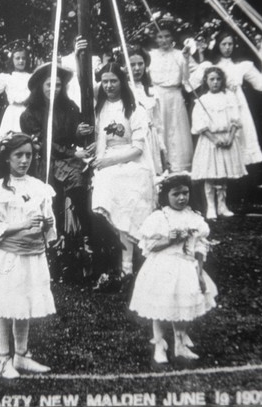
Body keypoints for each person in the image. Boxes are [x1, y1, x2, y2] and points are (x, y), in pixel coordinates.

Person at [0, 132, 56, 378]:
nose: (24, 160)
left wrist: (47, 224)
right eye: (18, 155)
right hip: (8, 256)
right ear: (6, 158)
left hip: (31, 253)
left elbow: (46, 226)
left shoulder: (39, 187)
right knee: (4, 305)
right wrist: (22, 224)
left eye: (28, 155)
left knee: (24, 304)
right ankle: (3, 359)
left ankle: (21, 356)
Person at [129, 174, 217, 363]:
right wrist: (171, 239)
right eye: (176, 194)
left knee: (184, 307)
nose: (182, 198)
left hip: (187, 267)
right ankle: (159, 344)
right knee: (161, 307)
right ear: (165, 196)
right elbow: (148, 246)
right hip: (163, 266)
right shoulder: (160, 217)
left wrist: (200, 272)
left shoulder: (194, 217)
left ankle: (180, 344)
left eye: (185, 193)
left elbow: (201, 246)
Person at [19, 62, 94, 280]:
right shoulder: (30, 114)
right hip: (45, 162)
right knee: (53, 199)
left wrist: (80, 133)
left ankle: (86, 240)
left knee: (79, 186)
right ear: (40, 87)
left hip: (68, 159)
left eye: (58, 85)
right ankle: (55, 247)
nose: (54, 90)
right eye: (49, 85)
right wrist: (72, 153)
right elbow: (43, 144)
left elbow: (74, 134)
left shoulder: (69, 107)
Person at [88, 62, 155, 279]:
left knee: (131, 192)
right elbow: (101, 141)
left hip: (132, 160)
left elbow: (137, 149)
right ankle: (115, 257)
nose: (108, 85)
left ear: (122, 81)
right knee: (106, 186)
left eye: (113, 81)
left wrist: (108, 162)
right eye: (105, 81)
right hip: (107, 159)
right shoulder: (99, 107)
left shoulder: (135, 108)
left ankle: (128, 262)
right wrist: (99, 157)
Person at [191, 31, 262, 165]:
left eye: (230, 44)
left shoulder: (242, 65)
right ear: (218, 45)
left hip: (237, 105)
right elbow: (191, 84)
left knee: (241, 136)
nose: (228, 47)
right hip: (217, 106)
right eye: (224, 44)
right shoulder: (210, 66)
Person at [190, 67, 247, 219]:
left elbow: (236, 119)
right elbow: (200, 124)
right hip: (210, 141)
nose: (215, 82)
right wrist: (215, 139)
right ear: (206, 81)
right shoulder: (202, 100)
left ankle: (222, 205)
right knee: (210, 174)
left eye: (218, 79)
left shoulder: (229, 98)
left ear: (222, 81)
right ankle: (210, 207)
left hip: (227, 138)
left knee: (222, 175)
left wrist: (230, 137)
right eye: (211, 79)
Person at [148, 27, 195, 172]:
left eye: (167, 36)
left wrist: (186, 60)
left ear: (172, 38)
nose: (164, 40)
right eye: (160, 37)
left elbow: (188, 79)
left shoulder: (180, 55)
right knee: (160, 128)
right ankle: (161, 165)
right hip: (157, 96)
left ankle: (178, 167)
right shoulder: (151, 55)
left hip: (175, 96)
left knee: (176, 130)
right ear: (155, 39)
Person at [125, 47, 167, 175]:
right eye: (132, 65)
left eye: (140, 64)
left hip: (150, 139)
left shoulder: (152, 91)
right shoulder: (122, 91)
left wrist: (162, 148)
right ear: (124, 66)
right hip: (131, 140)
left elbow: (158, 124)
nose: (137, 68)